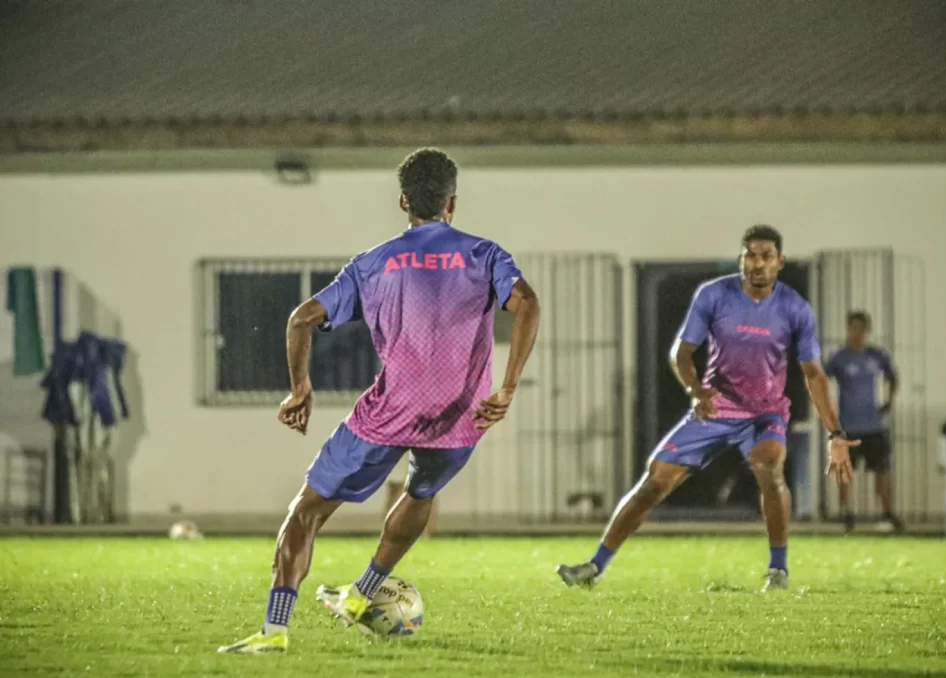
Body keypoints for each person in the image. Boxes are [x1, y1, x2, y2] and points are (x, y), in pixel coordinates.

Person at [219, 148, 541, 653]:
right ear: (451, 203)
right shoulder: (485, 255)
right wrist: (508, 387)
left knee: (306, 512)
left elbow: (302, 318)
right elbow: (528, 305)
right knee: (419, 494)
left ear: (403, 202)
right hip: (460, 417)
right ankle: (360, 594)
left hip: (390, 412)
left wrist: (300, 388)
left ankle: (275, 630)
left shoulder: (374, 262)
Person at [556, 224, 857, 593]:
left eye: (765, 256)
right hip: (715, 408)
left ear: (779, 262)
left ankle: (777, 570)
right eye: (750, 254)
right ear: (741, 259)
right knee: (653, 483)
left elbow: (814, 374)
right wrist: (695, 391)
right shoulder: (714, 295)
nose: (757, 263)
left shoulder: (795, 308)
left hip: (765, 413)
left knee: (768, 465)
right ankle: (593, 567)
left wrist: (836, 433)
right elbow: (680, 353)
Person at [824, 311, 903, 533]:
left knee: (882, 469)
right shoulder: (839, 357)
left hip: (873, 425)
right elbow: (820, 380)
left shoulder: (876, 355)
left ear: (866, 330)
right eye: (853, 328)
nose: (857, 333)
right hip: (848, 426)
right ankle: (847, 514)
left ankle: (886, 512)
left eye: (861, 329)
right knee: (845, 470)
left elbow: (893, 377)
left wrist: (888, 402)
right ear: (848, 329)